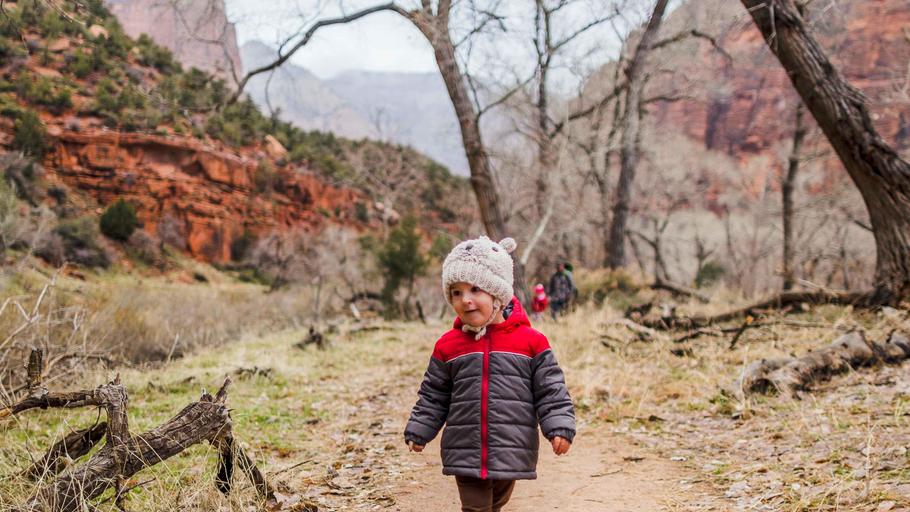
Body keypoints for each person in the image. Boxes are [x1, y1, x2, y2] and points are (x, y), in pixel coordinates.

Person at [404, 235, 576, 512]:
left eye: (475, 289)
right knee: (476, 507)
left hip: (512, 445)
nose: (466, 300)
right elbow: (434, 395)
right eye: (456, 293)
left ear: (497, 294)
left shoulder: (531, 341)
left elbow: (551, 390)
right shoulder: (448, 345)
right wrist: (420, 429)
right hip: (465, 447)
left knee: (495, 504)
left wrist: (559, 426)